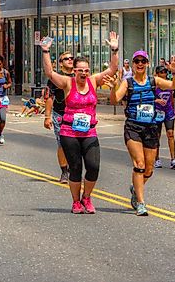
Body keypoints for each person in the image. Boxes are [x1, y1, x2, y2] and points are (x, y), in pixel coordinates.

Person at [43, 32, 119, 214]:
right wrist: (45, 52)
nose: (84, 73)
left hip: (89, 132)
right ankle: (76, 201)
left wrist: (114, 49)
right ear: (74, 71)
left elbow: (113, 69)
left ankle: (87, 197)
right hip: (69, 132)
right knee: (75, 168)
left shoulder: (93, 81)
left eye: (86, 70)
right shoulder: (67, 83)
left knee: (93, 167)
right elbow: (49, 73)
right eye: (80, 70)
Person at [109, 51, 175, 216]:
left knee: (149, 169)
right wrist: (114, 88)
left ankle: (136, 187)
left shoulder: (153, 81)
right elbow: (115, 100)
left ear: (147, 63)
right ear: (133, 64)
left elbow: (174, 86)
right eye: (137, 61)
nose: (140, 64)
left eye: (143, 61)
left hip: (151, 128)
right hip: (133, 126)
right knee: (139, 164)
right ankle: (141, 203)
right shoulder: (128, 83)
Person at [43, 51, 74, 183]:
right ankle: (64, 172)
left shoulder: (79, 75)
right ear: (61, 63)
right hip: (60, 114)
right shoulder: (56, 77)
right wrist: (47, 116)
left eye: (72, 58)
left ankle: (74, 169)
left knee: (75, 144)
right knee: (62, 143)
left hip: (76, 114)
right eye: (66, 59)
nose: (70, 60)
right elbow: (50, 97)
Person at [152, 63, 175, 170]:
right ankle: (156, 159)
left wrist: (173, 110)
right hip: (157, 112)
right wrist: (156, 100)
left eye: (165, 72)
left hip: (168, 111)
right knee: (157, 136)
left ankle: (173, 159)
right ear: (157, 74)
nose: (163, 74)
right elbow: (148, 99)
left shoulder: (169, 85)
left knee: (170, 134)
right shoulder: (153, 85)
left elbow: (173, 96)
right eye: (161, 72)